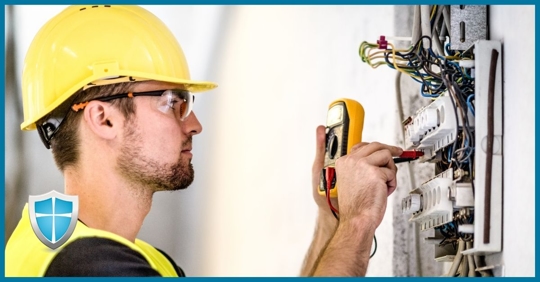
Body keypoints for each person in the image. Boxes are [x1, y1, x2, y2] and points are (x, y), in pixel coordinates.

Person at [5, 5, 402, 277]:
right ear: (104, 118)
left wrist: (331, 222)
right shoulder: (84, 266)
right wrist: (360, 220)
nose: (194, 124)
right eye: (172, 103)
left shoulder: (109, 255)